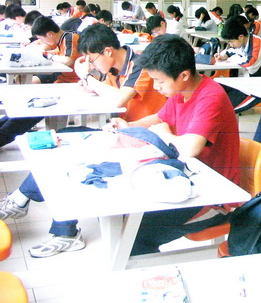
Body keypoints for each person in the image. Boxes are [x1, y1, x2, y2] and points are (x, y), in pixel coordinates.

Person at [0, 24, 164, 257]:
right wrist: (91, 86)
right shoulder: (114, 67)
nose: (92, 65)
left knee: (68, 150)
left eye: (92, 59)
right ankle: (29, 206)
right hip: (125, 131)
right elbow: (112, 93)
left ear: (108, 51)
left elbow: (119, 99)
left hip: (146, 138)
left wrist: (88, 77)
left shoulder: (140, 66)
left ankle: (27, 206)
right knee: (64, 138)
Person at [113, 34, 240, 255]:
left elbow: (190, 148)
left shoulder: (210, 96)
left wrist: (166, 136)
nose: (156, 86)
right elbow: (159, 118)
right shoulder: (181, 92)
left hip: (217, 198)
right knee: (124, 216)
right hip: (191, 180)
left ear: (184, 75)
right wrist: (128, 126)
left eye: (160, 81)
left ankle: (153, 274)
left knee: (135, 235)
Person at [217, 17, 261, 112]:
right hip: (244, 83)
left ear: (241, 37)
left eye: (231, 41)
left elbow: (249, 63)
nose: (231, 44)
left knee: (224, 110)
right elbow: (232, 51)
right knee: (214, 89)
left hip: (258, 87)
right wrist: (224, 55)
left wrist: (231, 58)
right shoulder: (243, 42)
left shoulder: (256, 43)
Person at [31, 16, 81, 83]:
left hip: (75, 80)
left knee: (32, 81)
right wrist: (44, 54)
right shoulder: (61, 40)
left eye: (41, 39)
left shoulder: (69, 38)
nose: (42, 41)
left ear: (50, 34)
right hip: (64, 77)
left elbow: (68, 61)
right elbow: (56, 53)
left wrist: (50, 56)